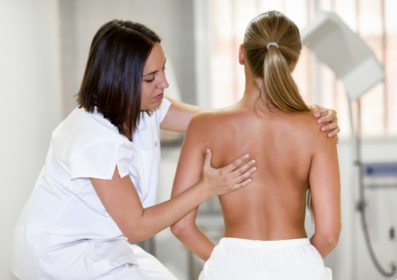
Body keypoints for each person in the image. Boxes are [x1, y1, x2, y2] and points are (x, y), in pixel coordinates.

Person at [11, 19, 339, 279]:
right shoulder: (91, 137)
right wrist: (208, 187)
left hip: (109, 245)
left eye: (163, 70)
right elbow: (136, 226)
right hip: (59, 256)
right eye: (151, 77)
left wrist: (304, 112)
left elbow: (222, 121)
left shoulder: (148, 106)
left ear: (242, 54)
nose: (164, 84)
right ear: (122, 81)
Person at [171, 10, 341, 280]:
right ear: (293, 62)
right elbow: (329, 234)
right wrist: (296, 263)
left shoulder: (203, 126)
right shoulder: (319, 127)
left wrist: (227, 260)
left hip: (230, 265)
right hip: (297, 264)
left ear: (242, 54)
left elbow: (181, 225)